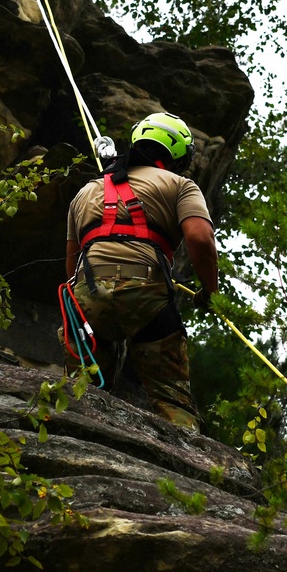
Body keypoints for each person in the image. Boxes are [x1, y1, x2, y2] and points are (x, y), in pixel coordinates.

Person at [63, 111, 218, 431]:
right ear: (178, 155)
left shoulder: (86, 192)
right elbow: (200, 239)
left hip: (86, 295)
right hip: (146, 293)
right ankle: (187, 461)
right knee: (171, 397)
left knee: (83, 389)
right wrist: (210, 291)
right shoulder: (180, 185)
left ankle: (70, 439)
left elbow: (72, 264)